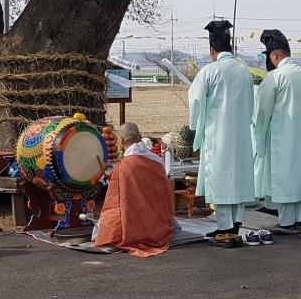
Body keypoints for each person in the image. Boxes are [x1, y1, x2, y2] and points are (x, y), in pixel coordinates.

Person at [254, 29, 301, 232]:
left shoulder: (276, 77)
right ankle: (298, 219)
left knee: (285, 178)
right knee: (300, 177)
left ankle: (287, 222)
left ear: (274, 55)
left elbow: (262, 111)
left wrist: (258, 134)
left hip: (282, 137)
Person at [188, 20, 255, 237]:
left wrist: (194, 127)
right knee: (239, 177)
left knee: (222, 178)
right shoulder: (244, 71)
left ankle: (225, 226)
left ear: (212, 49)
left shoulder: (210, 71)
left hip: (219, 134)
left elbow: (196, 100)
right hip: (242, 135)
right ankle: (236, 223)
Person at [95, 122, 174, 257]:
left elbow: (115, 202)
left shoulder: (124, 166)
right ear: (140, 136)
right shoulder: (156, 161)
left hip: (133, 224)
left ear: (121, 140)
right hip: (158, 223)